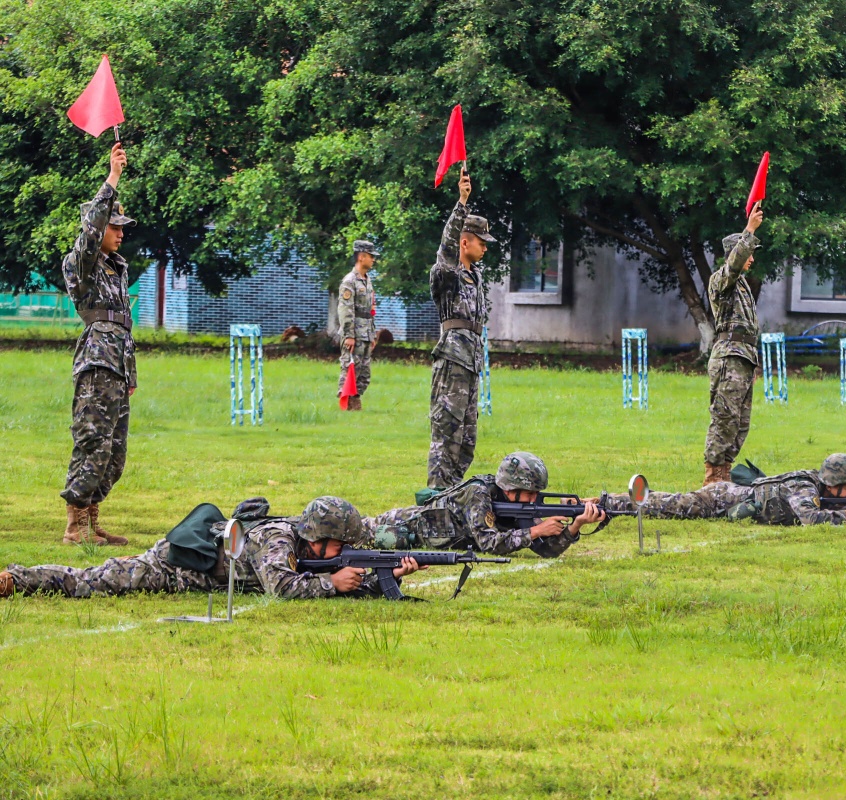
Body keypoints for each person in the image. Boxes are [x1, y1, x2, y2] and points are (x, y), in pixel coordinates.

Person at [0, 498, 423, 600]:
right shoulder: (276, 539)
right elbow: (281, 587)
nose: (341, 552)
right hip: (176, 567)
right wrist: (331, 585)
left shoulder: (305, 543)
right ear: (317, 537)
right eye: (339, 546)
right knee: (94, 581)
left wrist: (381, 578)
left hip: (204, 571)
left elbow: (324, 577)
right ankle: (15, 577)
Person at [59, 142, 138, 547]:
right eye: (115, 226)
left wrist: (131, 373)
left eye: (122, 226)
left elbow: (123, 326)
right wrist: (112, 177)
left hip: (117, 366)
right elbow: (90, 231)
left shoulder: (116, 270)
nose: (121, 233)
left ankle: (93, 518)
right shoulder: (82, 262)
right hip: (96, 363)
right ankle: (75, 524)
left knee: (115, 451)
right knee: (92, 440)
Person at [368, 452, 607, 557]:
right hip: (403, 525)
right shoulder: (478, 494)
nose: (534, 499)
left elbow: (546, 550)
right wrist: (536, 530)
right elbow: (488, 543)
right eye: (529, 493)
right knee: (359, 533)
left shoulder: (518, 505)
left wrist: (575, 525)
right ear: (511, 488)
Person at [427, 167, 495, 489]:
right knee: (446, 432)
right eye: (481, 242)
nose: (485, 248)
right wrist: (462, 202)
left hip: (471, 364)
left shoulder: (476, 276)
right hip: (452, 361)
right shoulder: (447, 275)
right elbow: (445, 249)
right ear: (464, 241)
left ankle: (453, 494)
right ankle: (437, 498)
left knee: (467, 438)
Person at [597, 454, 846, 525]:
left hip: (732, 496)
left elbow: (830, 506)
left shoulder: (823, 490)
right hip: (720, 498)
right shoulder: (804, 486)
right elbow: (809, 517)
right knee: (669, 505)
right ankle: (610, 502)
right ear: (834, 484)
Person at [703, 202, 765, 486]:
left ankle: (725, 473)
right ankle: (713, 478)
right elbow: (734, 264)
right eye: (749, 252)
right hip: (728, 358)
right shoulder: (723, 280)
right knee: (724, 418)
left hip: (743, 358)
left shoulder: (743, 287)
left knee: (740, 423)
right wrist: (749, 230)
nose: (752, 258)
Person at [337, 240, 378, 410]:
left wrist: (373, 333)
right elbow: (346, 310)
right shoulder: (350, 281)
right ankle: (346, 402)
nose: (373, 260)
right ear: (361, 257)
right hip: (355, 333)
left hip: (366, 332)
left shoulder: (367, 280)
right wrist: (349, 335)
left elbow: (371, 310)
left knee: (364, 372)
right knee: (351, 368)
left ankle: (356, 400)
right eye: (371, 256)